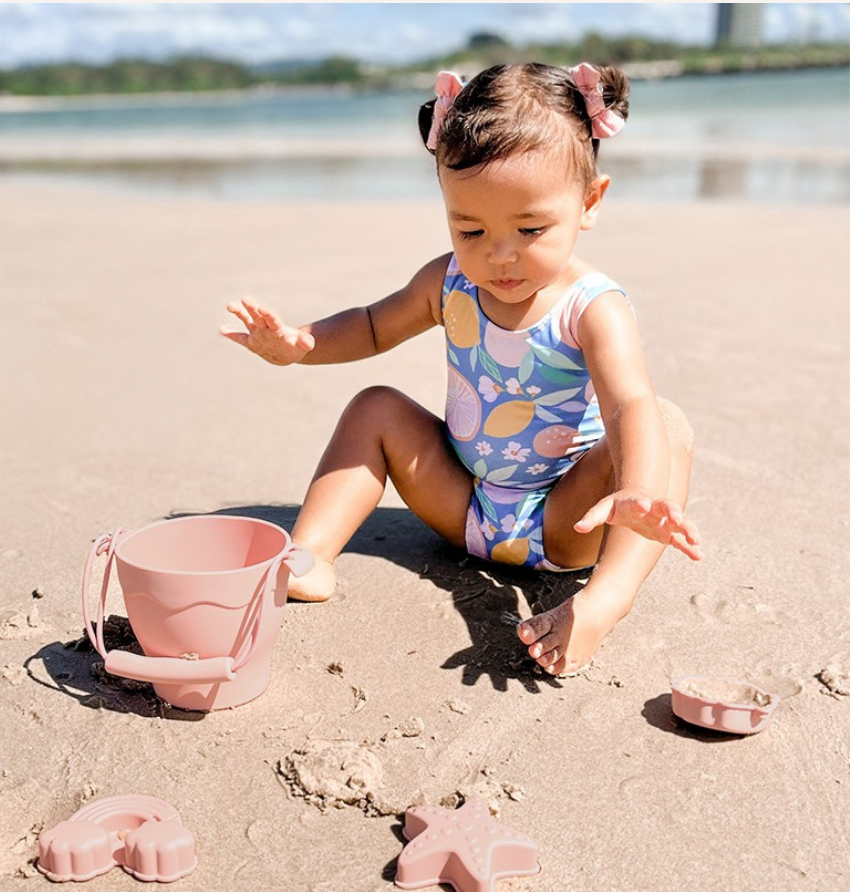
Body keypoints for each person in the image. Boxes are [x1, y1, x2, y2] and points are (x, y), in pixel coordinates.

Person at [220, 62, 701, 677]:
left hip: (567, 520)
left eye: (530, 228)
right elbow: (372, 325)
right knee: (376, 405)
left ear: (589, 202)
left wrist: (634, 487)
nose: (499, 254)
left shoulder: (593, 308)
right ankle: (309, 555)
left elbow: (628, 405)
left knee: (666, 425)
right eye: (469, 228)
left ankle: (607, 597)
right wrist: (302, 343)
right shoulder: (448, 281)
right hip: (463, 506)